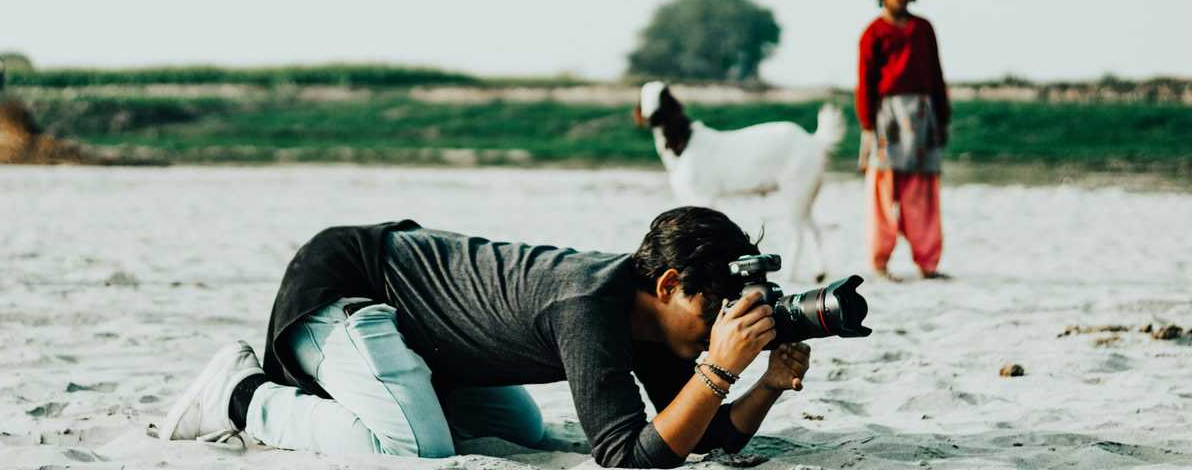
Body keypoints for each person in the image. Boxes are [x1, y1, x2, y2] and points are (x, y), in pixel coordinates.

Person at [160, 207, 812, 468]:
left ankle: (391, 390)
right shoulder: (590, 305)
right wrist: (718, 371)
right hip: (347, 289)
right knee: (414, 449)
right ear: (668, 285)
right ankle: (242, 394)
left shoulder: (651, 323)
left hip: (420, 337)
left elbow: (702, 432)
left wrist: (769, 384)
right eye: (715, 315)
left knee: (523, 433)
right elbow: (627, 460)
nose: (717, 333)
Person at [856, 0, 950, 281]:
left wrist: (943, 117)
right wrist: (867, 123)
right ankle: (880, 261)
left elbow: (936, 75)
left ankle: (928, 262)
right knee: (883, 191)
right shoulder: (873, 34)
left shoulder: (923, 29)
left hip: (923, 117)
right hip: (887, 120)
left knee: (922, 192)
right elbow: (865, 81)